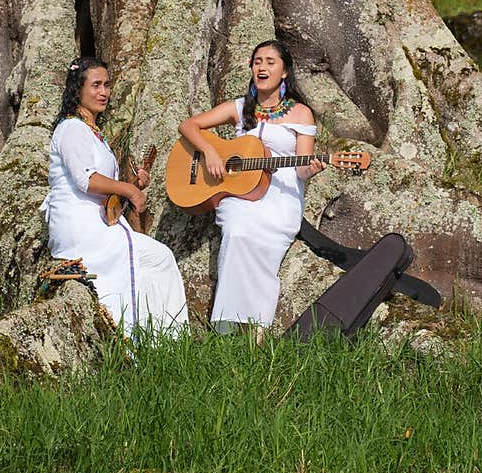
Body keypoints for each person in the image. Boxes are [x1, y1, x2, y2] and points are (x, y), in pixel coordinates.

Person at [179, 39, 324, 332]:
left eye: (271, 62)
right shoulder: (239, 107)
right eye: (258, 61)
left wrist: (313, 169)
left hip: (282, 198)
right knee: (237, 231)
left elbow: (301, 168)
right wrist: (208, 151)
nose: (263, 67)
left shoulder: (301, 113)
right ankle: (226, 326)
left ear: (284, 72)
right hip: (239, 191)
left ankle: (256, 327)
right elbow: (188, 126)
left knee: (264, 242)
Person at [41, 56, 189, 338]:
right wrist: (128, 189)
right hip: (78, 226)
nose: (104, 92)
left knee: (158, 260)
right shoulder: (72, 128)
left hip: (98, 222)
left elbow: (104, 188)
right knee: (157, 258)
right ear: (78, 89)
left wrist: (132, 184)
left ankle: (161, 340)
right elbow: (86, 179)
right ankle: (141, 339)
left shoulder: (94, 134)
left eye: (107, 85)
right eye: (96, 85)